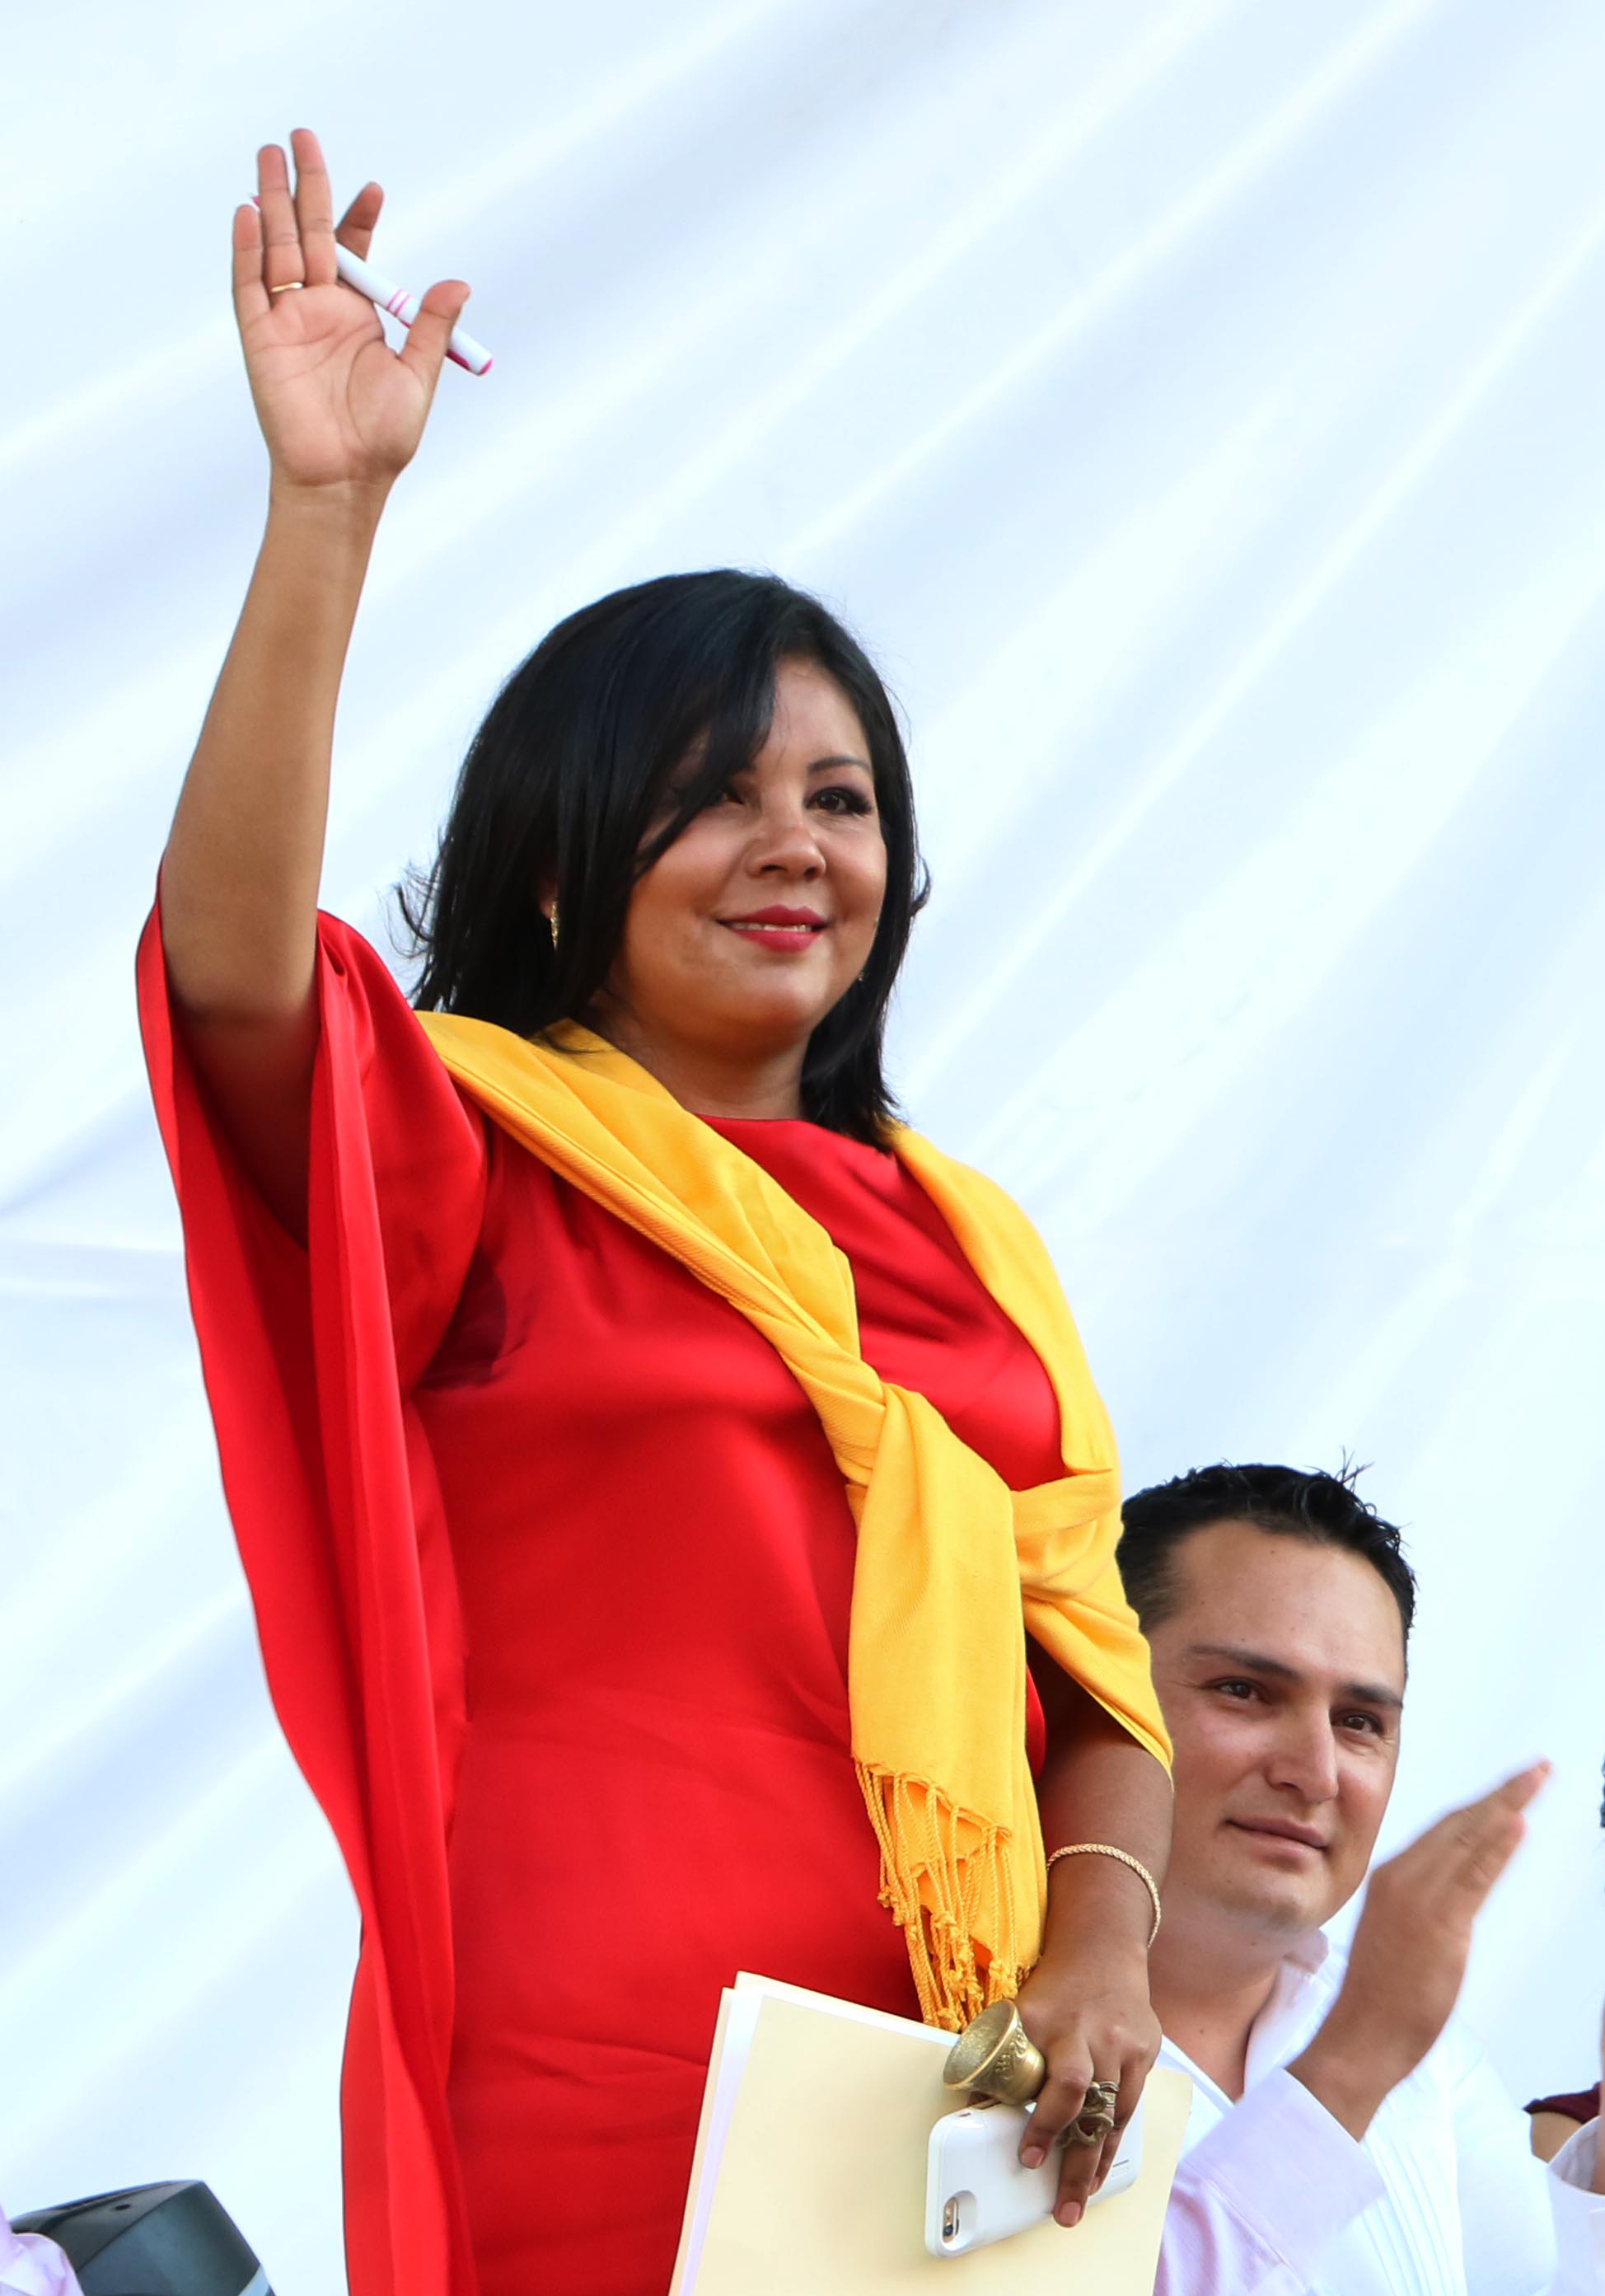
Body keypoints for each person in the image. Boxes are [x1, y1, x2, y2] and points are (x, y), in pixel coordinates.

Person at [138, 131, 1174, 2296]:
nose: (792, 845)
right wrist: (324, 516)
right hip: (594, 2081)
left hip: (953, 2103)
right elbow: (234, 971)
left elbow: (1091, 1679)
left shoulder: (971, 1243)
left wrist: (1096, 1958)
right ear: (551, 864)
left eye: (839, 797)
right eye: (711, 792)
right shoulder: (473, 1148)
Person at [1113, 1461, 1604, 2294]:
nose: (1316, 1771)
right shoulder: (941, 2018)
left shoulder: (1426, 2055)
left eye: (1358, 1721)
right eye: (1244, 1690)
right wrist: (1354, 2059)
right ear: (1096, 1691)